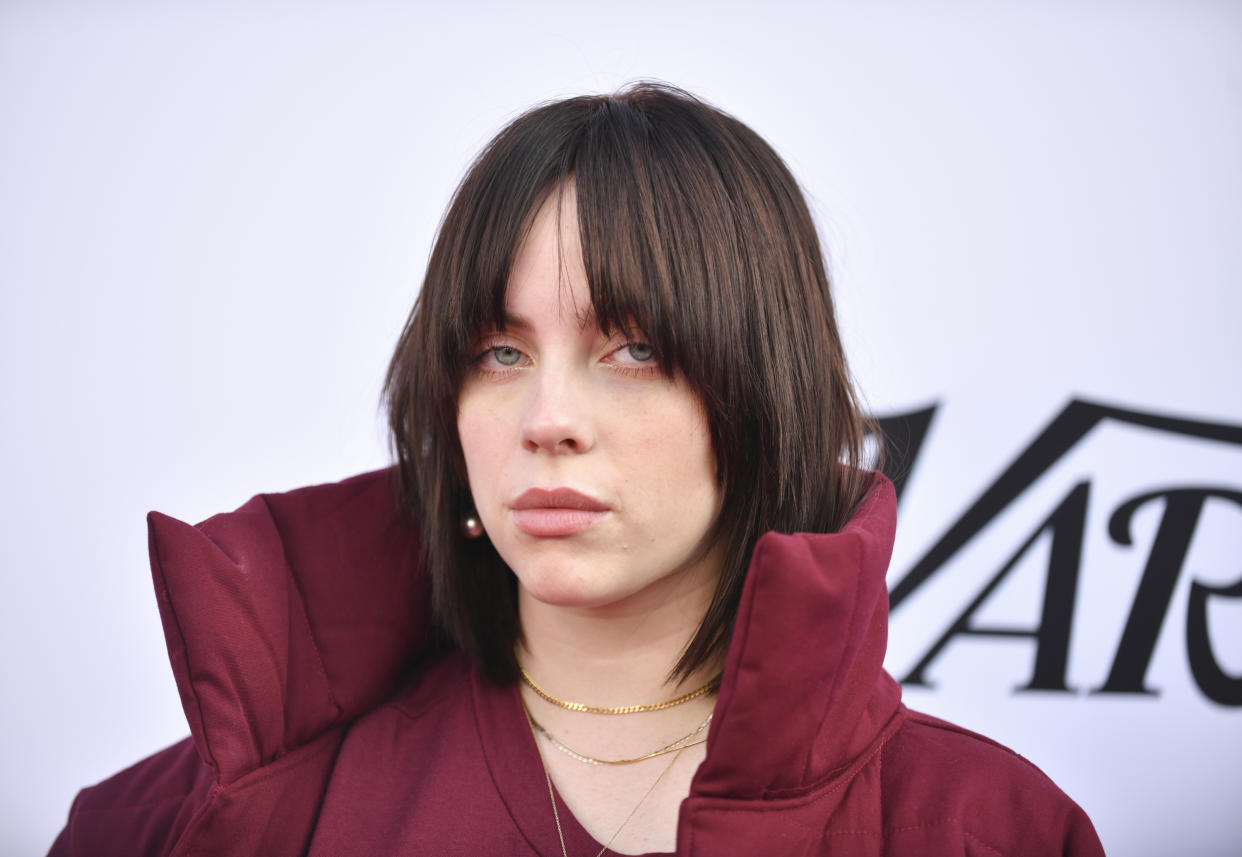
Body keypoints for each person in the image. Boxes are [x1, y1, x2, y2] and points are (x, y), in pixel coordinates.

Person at [50, 83, 1104, 857]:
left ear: (761, 390)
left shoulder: (989, 827)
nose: (547, 419)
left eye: (634, 349)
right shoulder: (186, 822)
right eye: (498, 353)